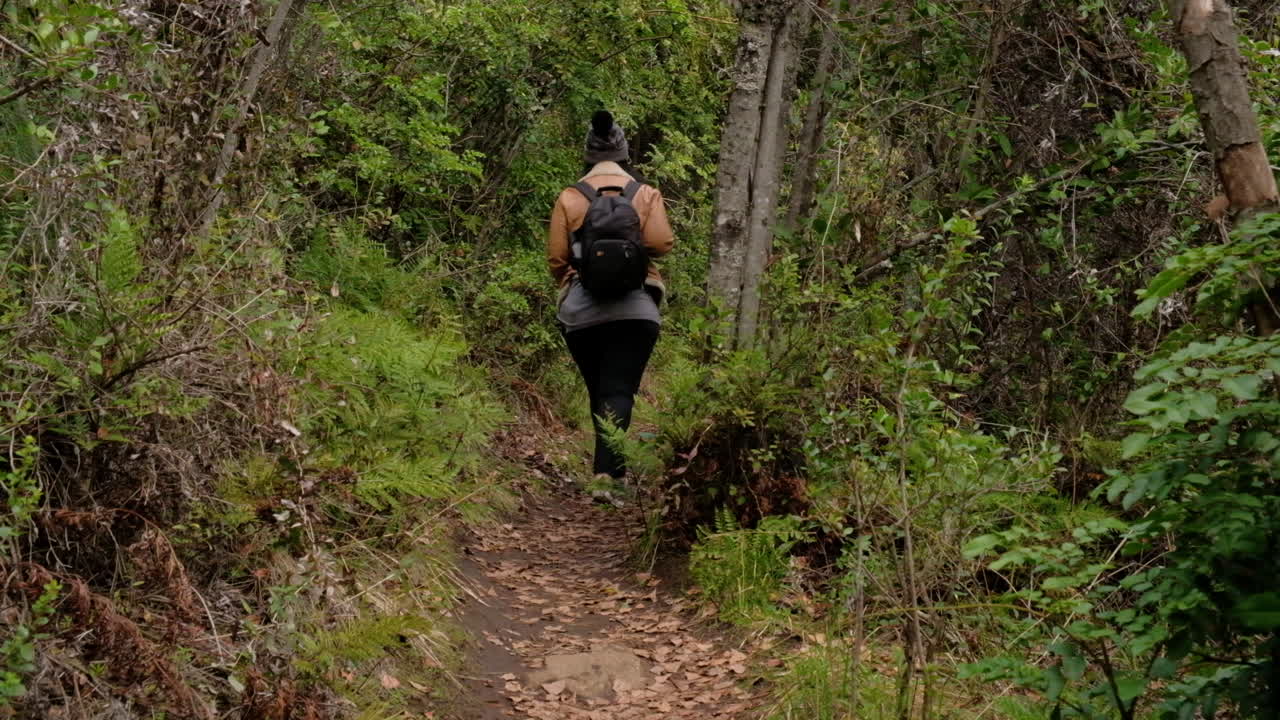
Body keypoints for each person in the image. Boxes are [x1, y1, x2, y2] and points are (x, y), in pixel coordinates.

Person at [546, 110, 674, 491]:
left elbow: (556, 257)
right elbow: (662, 244)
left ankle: (606, 472)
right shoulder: (645, 193)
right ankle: (609, 476)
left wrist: (576, 278)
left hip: (581, 314)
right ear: (622, 154)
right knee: (619, 391)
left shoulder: (570, 197)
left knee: (600, 389)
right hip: (637, 312)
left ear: (587, 154)